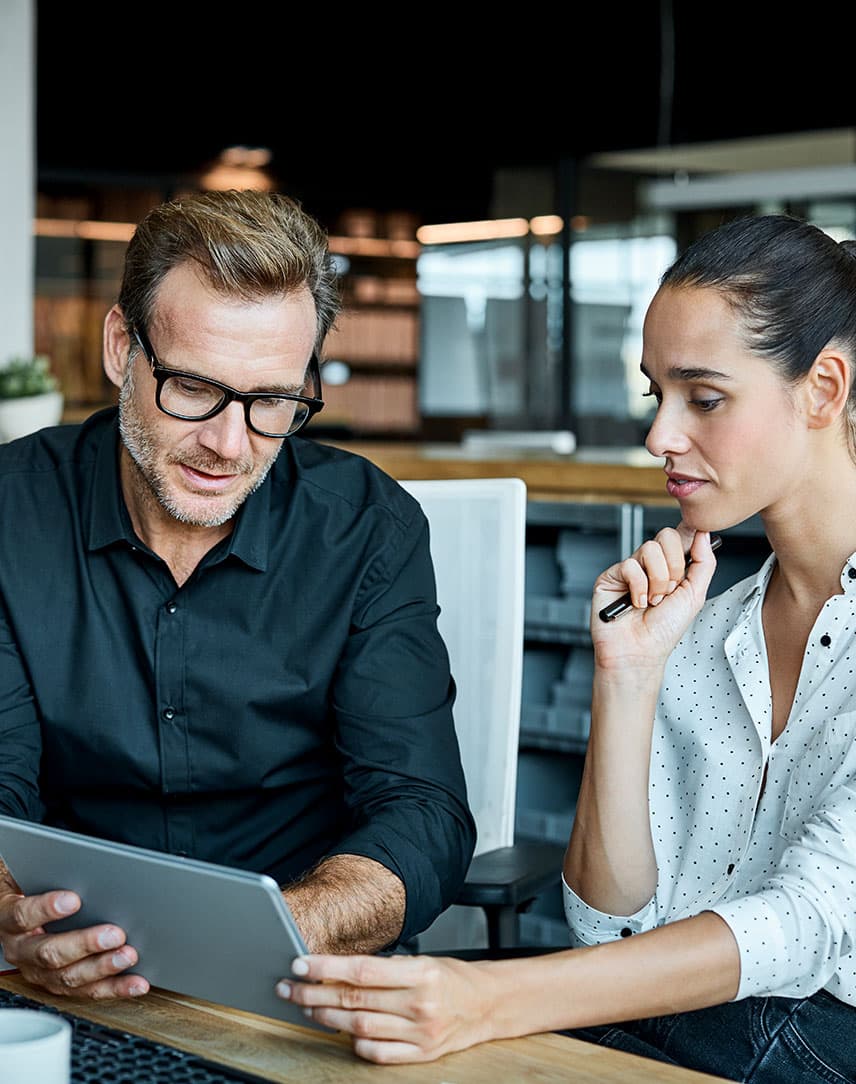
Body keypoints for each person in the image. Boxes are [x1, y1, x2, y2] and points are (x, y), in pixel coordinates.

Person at [278, 213, 856, 1083]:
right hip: (686, 1022)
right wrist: (626, 677)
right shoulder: (710, 625)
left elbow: (810, 924)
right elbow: (607, 926)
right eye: (656, 394)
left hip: (821, 1041)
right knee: (352, 1034)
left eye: (704, 397)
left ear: (823, 387)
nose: (660, 436)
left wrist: (491, 1002)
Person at [0, 188, 476, 1001]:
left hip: (301, 976)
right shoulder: (12, 512)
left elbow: (421, 813)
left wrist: (280, 930)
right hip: (63, 978)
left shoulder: (367, 529)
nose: (229, 445)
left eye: (273, 403)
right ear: (123, 348)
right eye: (192, 387)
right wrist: (11, 914)